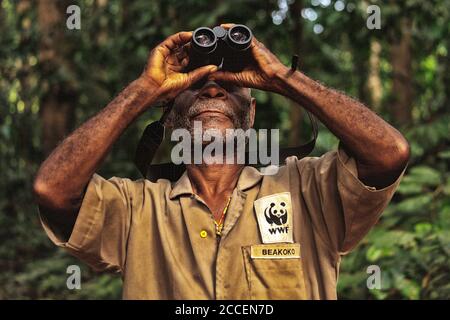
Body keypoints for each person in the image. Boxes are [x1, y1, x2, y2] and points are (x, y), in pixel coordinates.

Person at [33, 24, 410, 299]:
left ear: (252, 111)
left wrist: (281, 77)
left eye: (229, 84)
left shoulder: (308, 192)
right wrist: (144, 89)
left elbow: (388, 153)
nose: (213, 88)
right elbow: (53, 190)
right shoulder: (137, 209)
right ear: (169, 106)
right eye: (195, 84)